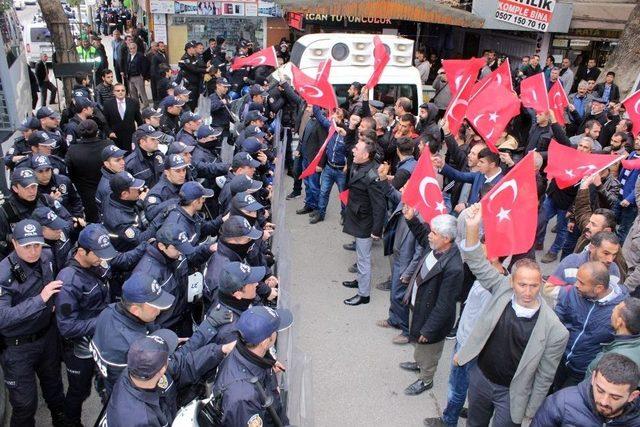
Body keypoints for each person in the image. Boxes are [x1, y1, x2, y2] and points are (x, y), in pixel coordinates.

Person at [456, 204, 569, 426]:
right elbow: (477, 262)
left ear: (541, 284)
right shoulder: (501, 289)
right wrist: (472, 227)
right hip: (481, 379)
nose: (528, 292)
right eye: (522, 284)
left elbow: (545, 376)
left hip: (512, 395)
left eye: (534, 285)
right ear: (511, 282)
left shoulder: (555, 331)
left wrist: (531, 410)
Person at [0, 220, 65, 426]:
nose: (33, 251)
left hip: (46, 337)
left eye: (37, 244)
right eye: (27, 246)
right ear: (15, 244)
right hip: (18, 347)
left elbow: (51, 285)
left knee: (55, 392)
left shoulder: (46, 257)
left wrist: (52, 303)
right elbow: (3, 318)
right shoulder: (3, 274)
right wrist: (41, 300)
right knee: (25, 405)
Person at [105, 329, 235, 426]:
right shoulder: (140, 419)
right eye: (168, 357)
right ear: (162, 369)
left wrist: (221, 350)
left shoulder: (136, 370)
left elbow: (184, 365)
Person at [398, 213, 463, 395]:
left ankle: (426, 379)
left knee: (429, 351)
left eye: (434, 233)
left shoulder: (454, 267)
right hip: (418, 307)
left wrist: (429, 330)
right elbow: (421, 233)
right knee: (419, 345)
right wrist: (411, 218)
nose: (429, 235)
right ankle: (419, 363)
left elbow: (445, 305)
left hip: (431, 320)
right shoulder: (435, 247)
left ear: (446, 238)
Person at [553, 261, 628, 390]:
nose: (576, 285)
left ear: (598, 288)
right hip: (558, 359)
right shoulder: (574, 293)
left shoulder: (620, 311)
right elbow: (558, 315)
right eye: (577, 280)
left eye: (581, 283)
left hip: (582, 371)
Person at [212, 306, 293, 427]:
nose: (276, 333)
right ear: (265, 342)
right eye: (275, 331)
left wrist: (268, 367)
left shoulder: (246, 353)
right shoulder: (243, 398)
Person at [532, 353, 640, 426]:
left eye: (615, 397)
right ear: (593, 378)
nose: (604, 401)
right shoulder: (561, 403)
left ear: (632, 396)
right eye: (600, 390)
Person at [342, 139, 387, 306]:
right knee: (360, 255)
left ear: (366, 154)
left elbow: (379, 205)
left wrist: (376, 230)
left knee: (363, 258)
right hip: (356, 215)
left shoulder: (372, 175)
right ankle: (360, 280)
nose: (353, 150)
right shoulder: (358, 163)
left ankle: (363, 294)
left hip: (364, 222)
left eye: (357, 148)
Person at [544, 231, 622, 307]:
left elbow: (613, 297)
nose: (610, 260)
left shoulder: (614, 270)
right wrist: (577, 293)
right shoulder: (571, 262)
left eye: (614, 255)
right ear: (592, 248)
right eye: (606, 253)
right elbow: (548, 289)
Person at [64, 119, 112, 222]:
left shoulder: (72, 151)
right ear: (97, 132)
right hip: (109, 191)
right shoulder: (108, 145)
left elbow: (69, 175)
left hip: (86, 196)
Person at [212, 262, 267, 345]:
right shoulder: (233, 333)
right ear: (238, 294)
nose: (256, 283)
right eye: (252, 282)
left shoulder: (226, 294)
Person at [585, 298, 640, 379]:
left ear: (619, 322)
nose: (612, 309)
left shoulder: (607, 360)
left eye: (616, 309)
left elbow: (589, 387)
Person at [102, 171, 153, 253]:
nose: (139, 190)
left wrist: (140, 200)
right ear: (124, 194)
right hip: (128, 250)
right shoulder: (120, 220)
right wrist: (157, 223)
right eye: (135, 189)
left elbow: (130, 205)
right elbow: (139, 239)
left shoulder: (113, 196)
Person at [143, 154, 188, 222]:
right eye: (177, 171)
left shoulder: (185, 183)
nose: (182, 174)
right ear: (167, 172)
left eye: (184, 170)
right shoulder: (157, 192)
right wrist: (175, 201)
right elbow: (150, 214)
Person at [103, 83, 144, 151]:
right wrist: (109, 132)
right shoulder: (108, 104)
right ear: (114, 92)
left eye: (122, 90)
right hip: (116, 137)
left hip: (130, 136)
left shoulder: (133, 102)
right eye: (118, 91)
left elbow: (139, 119)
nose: (120, 92)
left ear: (125, 91)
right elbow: (105, 121)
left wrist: (140, 133)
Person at [124, 124, 165, 188]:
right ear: (142, 142)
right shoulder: (130, 164)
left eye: (157, 139)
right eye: (153, 139)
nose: (157, 142)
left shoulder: (160, 155)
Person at [125, 42, 149, 107]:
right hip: (130, 77)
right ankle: (136, 107)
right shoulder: (129, 55)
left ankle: (146, 106)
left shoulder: (141, 56)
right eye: (130, 48)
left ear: (136, 48)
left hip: (138, 77)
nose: (132, 50)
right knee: (133, 94)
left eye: (133, 48)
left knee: (142, 93)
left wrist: (142, 75)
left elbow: (145, 66)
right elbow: (127, 64)